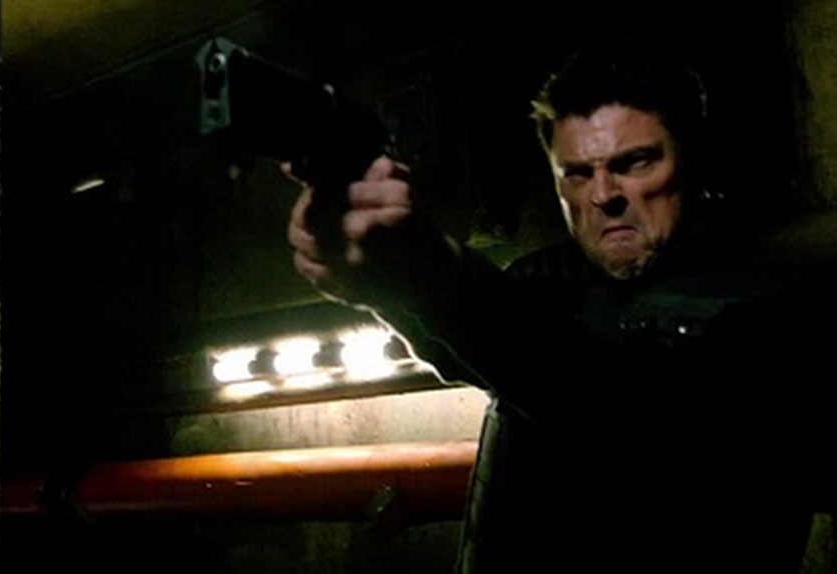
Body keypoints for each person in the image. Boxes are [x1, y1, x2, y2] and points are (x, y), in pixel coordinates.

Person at [286, 38, 835, 573]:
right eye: (577, 173)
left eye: (635, 163)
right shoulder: (553, 278)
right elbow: (470, 352)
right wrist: (383, 280)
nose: (603, 194)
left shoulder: (775, 301)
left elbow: (633, 416)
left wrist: (435, 272)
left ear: (692, 162)